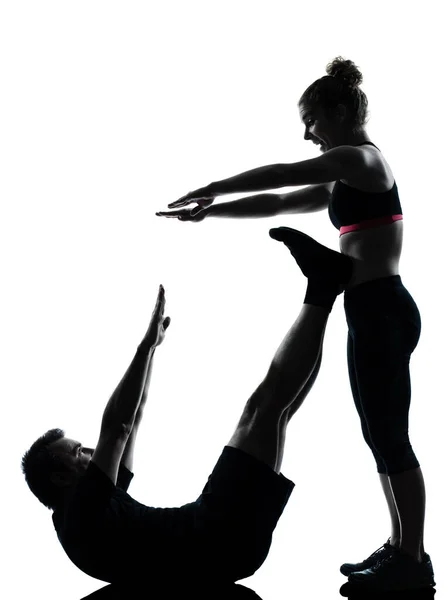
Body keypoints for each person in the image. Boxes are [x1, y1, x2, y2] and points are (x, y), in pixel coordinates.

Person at [156, 56, 436, 591]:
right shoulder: (346, 177)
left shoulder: (362, 161)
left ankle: (414, 561)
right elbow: (283, 198)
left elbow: (285, 173)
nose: (308, 134)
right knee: (379, 436)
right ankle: (402, 547)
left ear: (337, 111)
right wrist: (211, 210)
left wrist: (212, 183)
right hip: (369, 309)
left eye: (311, 120)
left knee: (392, 438)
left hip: (384, 309)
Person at [21, 267, 356, 592]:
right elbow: (116, 428)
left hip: (228, 550)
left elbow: (132, 419)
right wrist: (143, 347)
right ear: (61, 477)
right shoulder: (79, 513)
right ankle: (323, 286)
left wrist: (152, 349)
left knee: (276, 412)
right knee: (261, 408)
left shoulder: (93, 515)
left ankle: (325, 289)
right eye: (78, 451)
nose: (93, 452)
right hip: (213, 533)